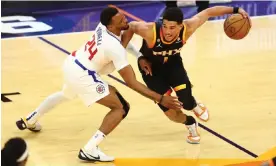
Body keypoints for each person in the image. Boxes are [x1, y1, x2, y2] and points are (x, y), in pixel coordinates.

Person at [15, 7, 182, 162]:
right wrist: (160, 98)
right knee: (121, 107)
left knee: (66, 94)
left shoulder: (104, 28)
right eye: (121, 20)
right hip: (83, 75)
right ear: (111, 24)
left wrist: (139, 56)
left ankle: (31, 119)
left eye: (124, 17)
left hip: (72, 63)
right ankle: (90, 149)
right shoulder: (113, 47)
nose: (126, 20)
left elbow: (122, 43)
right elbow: (131, 82)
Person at [121, 6, 250, 144]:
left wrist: (236, 10)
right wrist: (124, 52)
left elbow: (207, 12)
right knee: (171, 113)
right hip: (152, 71)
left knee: (186, 103)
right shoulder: (149, 30)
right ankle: (190, 123)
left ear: (180, 26)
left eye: (172, 28)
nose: (167, 31)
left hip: (173, 65)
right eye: (165, 26)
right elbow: (132, 26)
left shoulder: (188, 28)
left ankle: (193, 104)